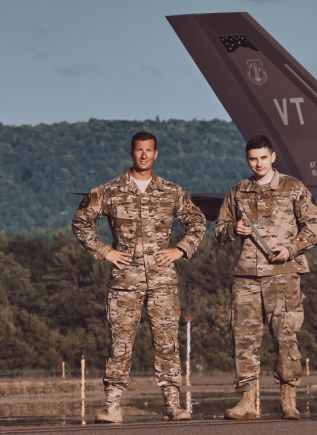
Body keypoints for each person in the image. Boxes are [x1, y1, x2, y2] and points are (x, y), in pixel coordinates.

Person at [72, 131, 206, 423]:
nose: (144, 155)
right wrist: (105, 251)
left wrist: (181, 250)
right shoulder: (108, 191)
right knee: (119, 343)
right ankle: (112, 405)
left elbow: (197, 221)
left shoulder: (172, 191)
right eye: (139, 150)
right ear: (131, 152)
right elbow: (81, 223)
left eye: (149, 150)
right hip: (125, 282)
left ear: (156, 154)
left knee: (167, 342)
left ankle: (173, 403)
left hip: (162, 281)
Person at [214, 135, 317, 421]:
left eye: (263, 157)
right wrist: (233, 230)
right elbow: (219, 230)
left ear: (273, 157)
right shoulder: (238, 192)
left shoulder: (293, 188)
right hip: (247, 276)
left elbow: (314, 224)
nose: (258, 163)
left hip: (283, 274)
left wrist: (292, 248)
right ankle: (247, 400)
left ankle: (289, 399)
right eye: (253, 158)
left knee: (286, 337)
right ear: (247, 160)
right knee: (245, 339)